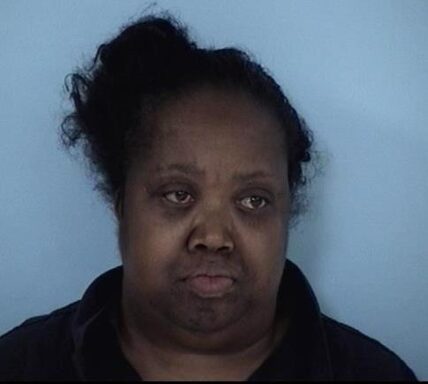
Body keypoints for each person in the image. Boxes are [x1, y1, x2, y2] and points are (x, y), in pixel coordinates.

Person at [0, 14, 417, 381]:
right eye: (178, 194)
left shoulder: (378, 374)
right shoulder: (19, 365)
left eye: (253, 200)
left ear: (287, 213)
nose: (215, 237)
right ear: (121, 205)